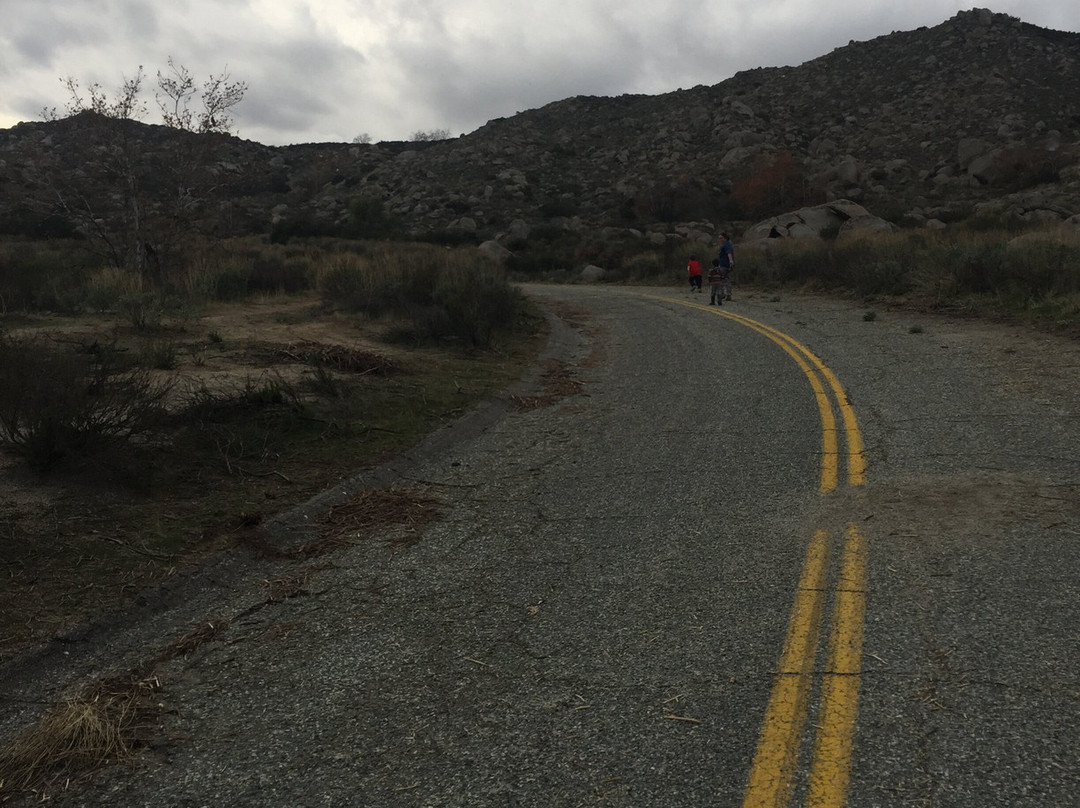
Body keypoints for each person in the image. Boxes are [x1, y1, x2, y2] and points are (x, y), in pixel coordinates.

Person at [717, 232, 735, 300]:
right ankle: (728, 294)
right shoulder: (728, 244)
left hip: (724, 265)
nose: (720, 240)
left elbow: (729, 253)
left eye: (721, 238)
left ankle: (722, 293)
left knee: (721, 279)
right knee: (727, 279)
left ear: (725, 238)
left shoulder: (726, 245)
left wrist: (731, 261)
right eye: (719, 238)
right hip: (725, 264)